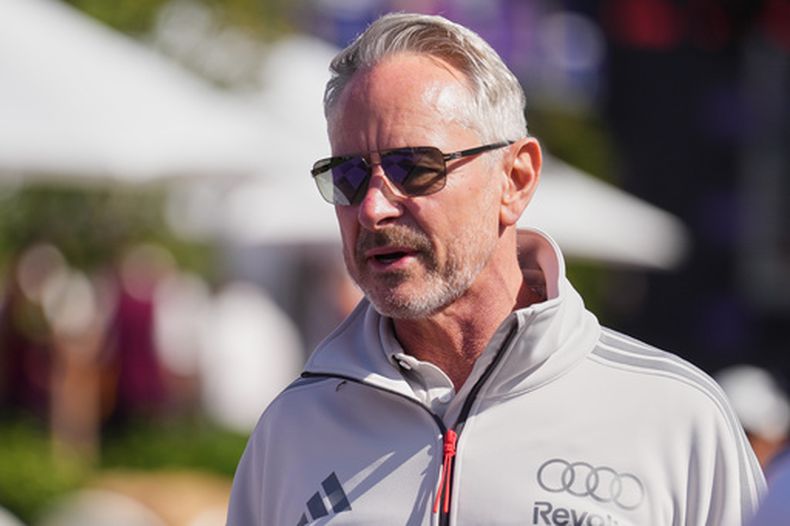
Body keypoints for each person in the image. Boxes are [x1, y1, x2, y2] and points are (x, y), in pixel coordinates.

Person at [227, 12, 765, 525]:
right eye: (348, 175)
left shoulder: (676, 418)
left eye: (413, 167)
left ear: (516, 179)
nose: (372, 207)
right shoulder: (292, 430)